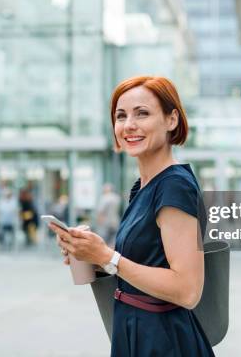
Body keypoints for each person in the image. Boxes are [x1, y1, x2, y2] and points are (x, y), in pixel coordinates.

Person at [49, 76, 214, 356]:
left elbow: (188, 289)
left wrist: (106, 256)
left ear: (171, 120)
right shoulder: (145, 186)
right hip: (137, 333)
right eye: (120, 116)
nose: (129, 125)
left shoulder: (173, 185)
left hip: (163, 341)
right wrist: (90, 254)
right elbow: (146, 263)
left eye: (142, 113)